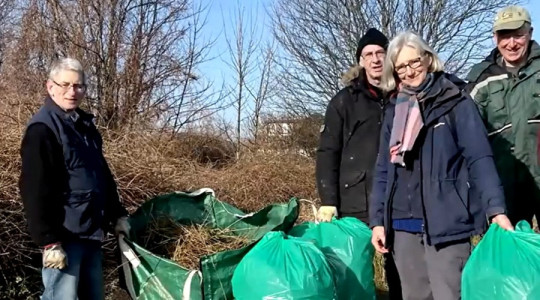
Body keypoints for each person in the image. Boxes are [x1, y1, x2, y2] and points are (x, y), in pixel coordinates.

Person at [369, 31, 513, 300]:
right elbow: (383, 169)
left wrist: (496, 209)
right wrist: (377, 220)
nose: (410, 71)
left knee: (450, 294)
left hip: (447, 221)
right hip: (402, 224)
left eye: (414, 62)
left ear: (428, 58)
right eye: (401, 66)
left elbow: (479, 157)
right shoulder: (393, 109)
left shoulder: (455, 100)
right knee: (414, 296)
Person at [19, 58, 130, 300]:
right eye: (65, 84)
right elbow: (34, 189)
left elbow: (100, 175)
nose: (72, 92)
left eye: (79, 86)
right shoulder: (42, 129)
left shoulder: (84, 126)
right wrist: (49, 241)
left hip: (90, 231)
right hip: (65, 236)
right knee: (61, 296)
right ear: (50, 86)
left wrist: (116, 213)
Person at [316, 28, 402, 299]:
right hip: (355, 197)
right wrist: (328, 199)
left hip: (397, 195)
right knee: (353, 266)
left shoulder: (404, 95)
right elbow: (328, 151)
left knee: (398, 263)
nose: (375, 59)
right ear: (360, 61)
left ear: (389, 57)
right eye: (368, 54)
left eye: (380, 52)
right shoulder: (344, 101)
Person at [466, 5, 540, 227]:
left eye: (518, 35)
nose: (512, 43)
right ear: (495, 38)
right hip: (504, 185)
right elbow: (467, 131)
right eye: (504, 36)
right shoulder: (481, 78)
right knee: (511, 254)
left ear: (530, 33)